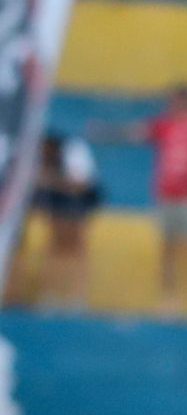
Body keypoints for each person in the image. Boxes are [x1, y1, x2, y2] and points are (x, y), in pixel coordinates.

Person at [95, 83, 187, 316]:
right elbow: (135, 132)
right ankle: (168, 300)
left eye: (174, 100)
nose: (169, 105)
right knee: (167, 247)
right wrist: (108, 132)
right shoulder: (164, 124)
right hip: (166, 193)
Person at [29, 130, 99, 308]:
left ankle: (75, 296)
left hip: (80, 200)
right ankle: (50, 293)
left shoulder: (74, 151)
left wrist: (51, 181)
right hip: (59, 199)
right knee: (55, 246)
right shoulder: (39, 155)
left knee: (74, 247)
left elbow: (80, 185)